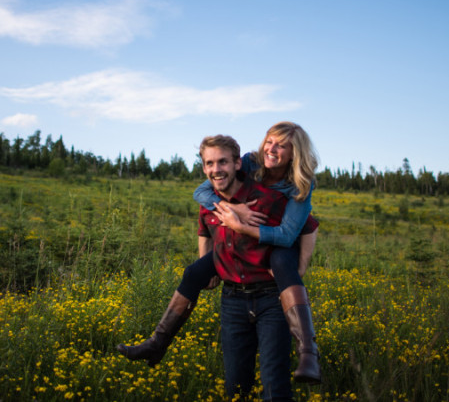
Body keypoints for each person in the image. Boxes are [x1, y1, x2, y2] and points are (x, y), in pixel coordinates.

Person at [117, 122, 322, 385]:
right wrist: (230, 208)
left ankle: (308, 352)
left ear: (295, 152)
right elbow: (203, 199)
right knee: (194, 272)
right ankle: (158, 342)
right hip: (235, 284)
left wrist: (241, 225)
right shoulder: (250, 164)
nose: (271, 149)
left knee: (282, 261)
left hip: (281, 247)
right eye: (269, 141)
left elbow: (300, 228)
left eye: (281, 145)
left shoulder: (298, 185)